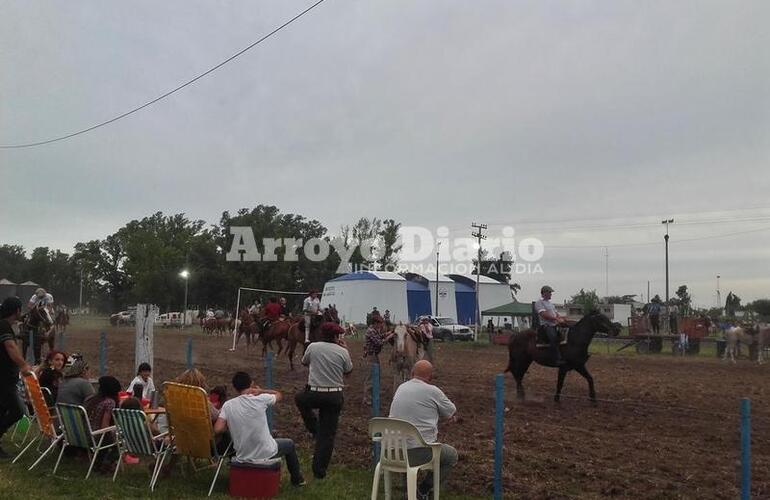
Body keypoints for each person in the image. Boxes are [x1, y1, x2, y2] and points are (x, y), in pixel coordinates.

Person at [214, 371, 305, 486]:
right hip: (265, 451)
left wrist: (232, 423)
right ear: (251, 383)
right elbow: (279, 395)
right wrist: (261, 391)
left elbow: (217, 429)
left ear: (235, 387)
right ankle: (297, 480)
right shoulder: (261, 399)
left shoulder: (228, 405)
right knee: (290, 444)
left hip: (242, 454)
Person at [389, 360, 458, 500]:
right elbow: (451, 411)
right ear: (430, 377)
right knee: (451, 455)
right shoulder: (433, 391)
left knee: (406, 443)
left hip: (392, 452)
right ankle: (423, 489)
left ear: (412, 373)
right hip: (416, 453)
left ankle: (409, 491)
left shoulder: (401, 387)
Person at [294, 322, 352, 479]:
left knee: (300, 399)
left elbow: (304, 362)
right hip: (334, 396)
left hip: (314, 393)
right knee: (327, 436)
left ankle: (314, 428)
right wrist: (344, 349)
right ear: (335, 336)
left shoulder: (313, 347)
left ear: (321, 333)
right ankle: (319, 471)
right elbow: (348, 371)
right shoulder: (342, 351)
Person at [0, 297, 33, 459]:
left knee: (3, 409)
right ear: (17, 310)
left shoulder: (4, 325)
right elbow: (10, 347)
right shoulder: (4, 326)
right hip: (4, 378)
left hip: (6, 378)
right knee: (18, 410)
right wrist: (24, 365)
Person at [84, 375, 121, 472]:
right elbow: (104, 427)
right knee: (119, 439)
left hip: (84, 434)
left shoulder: (91, 399)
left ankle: (99, 461)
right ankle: (106, 462)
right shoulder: (110, 402)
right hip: (96, 437)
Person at [362, 317, 394, 405]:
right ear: (376, 323)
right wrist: (389, 337)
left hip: (374, 355)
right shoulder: (371, 331)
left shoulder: (374, 330)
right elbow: (379, 342)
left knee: (376, 376)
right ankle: (367, 398)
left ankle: (371, 396)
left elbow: (380, 336)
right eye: (380, 324)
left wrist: (388, 333)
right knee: (371, 377)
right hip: (371, 356)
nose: (381, 325)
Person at [534, 285, 566, 365]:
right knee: (554, 338)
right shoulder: (539, 302)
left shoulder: (550, 304)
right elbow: (543, 314)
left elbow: (556, 314)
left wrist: (562, 318)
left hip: (554, 325)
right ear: (544, 293)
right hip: (546, 326)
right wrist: (556, 319)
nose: (551, 294)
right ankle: (555, 358)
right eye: (550, 292)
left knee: (563, 338)